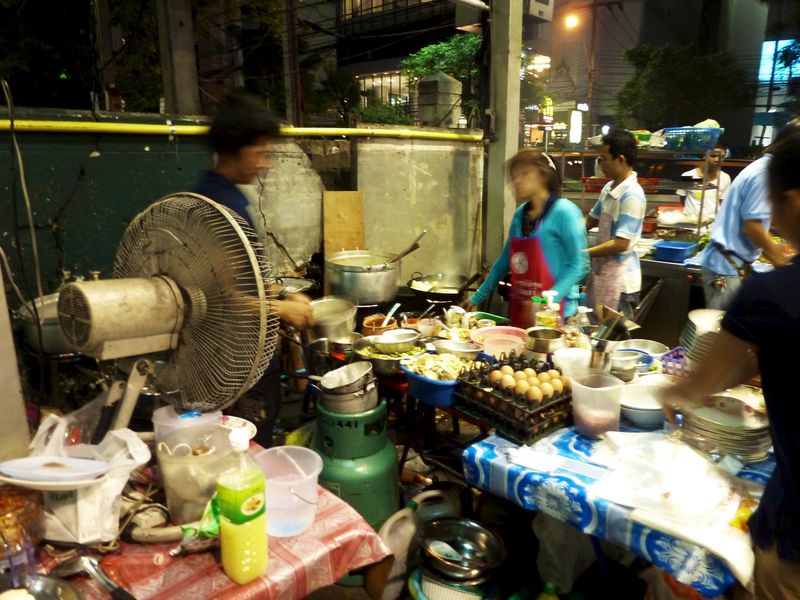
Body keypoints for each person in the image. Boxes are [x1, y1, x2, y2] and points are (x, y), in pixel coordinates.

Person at [661, 126, 800, 599]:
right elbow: (760, 363)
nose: (773, 221)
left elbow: (691, 388)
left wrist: (669, 390)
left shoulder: (772, 293)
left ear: (793, 202)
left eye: (775, 206)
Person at [191, 90, 313, 446]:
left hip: (244, 355)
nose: (266, 164)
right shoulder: (219, 206)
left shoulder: (222, 194)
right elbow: (215, 298)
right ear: (234, 150)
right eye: (260, 154)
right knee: (246, 445)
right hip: (234, 363)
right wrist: (281, 308)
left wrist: (283, 291)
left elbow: (241, 279)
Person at [463, 149, 588, 327]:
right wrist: (477, 297)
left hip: (558, 316)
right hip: (523, 314)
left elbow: (579, 264)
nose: (517, 182)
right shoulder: (520, 214)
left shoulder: (565, 212)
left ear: (543, 175)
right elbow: (504, 261)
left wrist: (547, 303)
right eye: (514, 177)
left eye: (524, 174)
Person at [694, 127, 795, 310]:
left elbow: (760, 220)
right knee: (718, 329)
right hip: (725, 267)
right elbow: (751, 227)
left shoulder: (764, 168)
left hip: (730, 264)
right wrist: (783, 265)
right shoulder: (765, 173)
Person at [585, 129, 646, 320]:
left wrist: (582, 254)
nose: (600, 163)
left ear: (620, 159)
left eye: (603, 158)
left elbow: (621, 243)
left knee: (614, 344)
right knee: (596, 339)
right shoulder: (608, 188)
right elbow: (590, 220)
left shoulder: (632, 195)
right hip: (602, 274)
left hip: (622, 285)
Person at [676, 142, 731, 222]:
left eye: (721, 157)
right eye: (713, 156)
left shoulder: (725, 178)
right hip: (691, 224)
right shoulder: (688, 175)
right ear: (705, 155)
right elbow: (682, 199)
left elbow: (722, 203)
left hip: (713, 224)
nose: (717, 159)